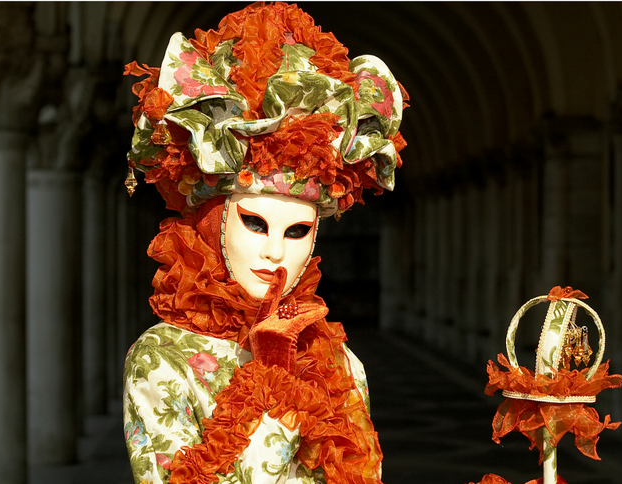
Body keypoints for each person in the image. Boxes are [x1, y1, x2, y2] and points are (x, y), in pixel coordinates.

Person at [121, 3, 408, 484]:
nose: (275, 252)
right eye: (255, 223)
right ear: (214, 222)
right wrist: (262, 376)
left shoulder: (337, 361)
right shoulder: (161, 359)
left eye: (296, 231)